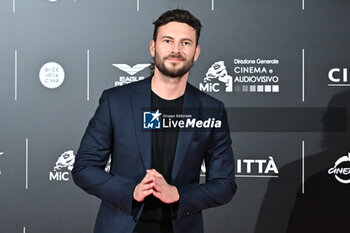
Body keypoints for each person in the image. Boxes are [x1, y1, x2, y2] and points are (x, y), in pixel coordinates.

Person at [72, 9, 237, 233]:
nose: (176, 50)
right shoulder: (116, 102)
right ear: (153, 47)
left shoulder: (211, 110)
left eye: (185, 43)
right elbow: (84, 167)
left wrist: (178, 194)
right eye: (168, 40)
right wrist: (131, 190)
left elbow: (225, 185)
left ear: (196, 52)